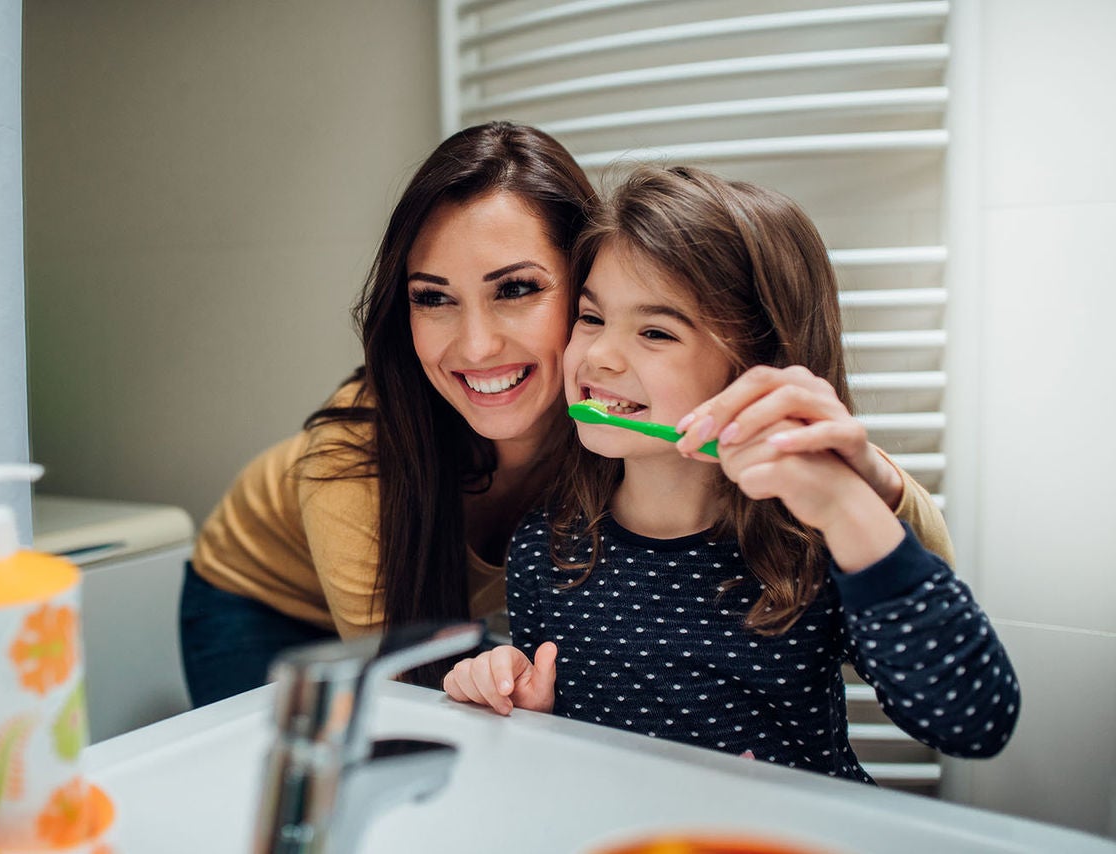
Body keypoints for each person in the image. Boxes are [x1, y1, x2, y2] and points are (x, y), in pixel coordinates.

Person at [182, 122, 953, 707]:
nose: (476, 345)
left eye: (516, 289)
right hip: (258, 603)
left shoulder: (617, 416)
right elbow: (416, 695)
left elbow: (927, 586)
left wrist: (863, 476)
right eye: (432, 298)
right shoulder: (356, 459)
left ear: (590, 282)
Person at [441, 165, 1018, 780]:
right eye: (591, 317)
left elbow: (974, 724)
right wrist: (517, 705)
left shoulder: (812, 544)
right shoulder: (546, 547)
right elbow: (563, 746)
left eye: (656, 331)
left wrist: (845, 508)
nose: (600, 355)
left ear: (755, 368)